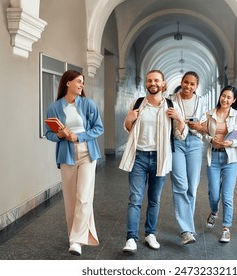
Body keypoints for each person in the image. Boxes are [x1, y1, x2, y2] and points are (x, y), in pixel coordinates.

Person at [119, 69, 185, 253]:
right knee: (135, 199)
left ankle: (150, 234)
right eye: (149, 80)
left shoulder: (171, 106)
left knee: (154, 199)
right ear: (146, 84)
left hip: (160, 158)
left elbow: (181, 135)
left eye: (156, 80)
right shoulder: (137, 104)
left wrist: (179, 119)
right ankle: (131, 238)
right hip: (139, 157)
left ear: (163, 84)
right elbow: (128, 129)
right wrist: (128, 119)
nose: (152, 83)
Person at [45, 70, 104, 256]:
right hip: (67, 156)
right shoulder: (54, 107)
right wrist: (60, 135)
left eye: (83, 82)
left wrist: (78, 136)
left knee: (84, 197)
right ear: (67, 83)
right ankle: (76, 235)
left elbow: (98, 128)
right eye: (78, 81)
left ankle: (76, 240)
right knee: (71, 199)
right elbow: (48, 134)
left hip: (88, 153)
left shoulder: (88, 104)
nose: (81, 85)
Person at [168, 71, 207, 245]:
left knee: (192, 186)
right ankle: (185, 230)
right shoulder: (170, 100)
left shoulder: (201, 102)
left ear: (196, 86)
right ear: (181, 82)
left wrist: (198, 126)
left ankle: (188, 227)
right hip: (176, 142)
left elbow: (207, 127)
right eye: (186, 82)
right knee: (180, 185)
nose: (188, 86)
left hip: (195, 143)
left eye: (192, 84)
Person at [202, 86, 237, 243]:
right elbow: (203, 134)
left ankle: (226, 228)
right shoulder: (209, 114)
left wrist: (231, 142)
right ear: (220, 96)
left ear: (233, 100)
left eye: (229, 97)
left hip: (230, 160)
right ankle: (214, 211)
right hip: (213, 157)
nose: (225, 99)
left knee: (227, 195)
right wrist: (210, 139)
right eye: (223, 96)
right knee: (213, 193)